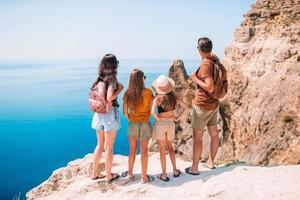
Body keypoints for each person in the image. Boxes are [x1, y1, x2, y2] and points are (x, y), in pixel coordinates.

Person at [185, 37, 220, 175]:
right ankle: (211, 162)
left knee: (197, 137)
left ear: (199, 50)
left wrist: (195, 79)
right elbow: (212, 53)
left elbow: (209, 87)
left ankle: (194, 168)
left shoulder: (206, 65)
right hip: (213, 104)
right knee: (214, 134)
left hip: (202, 105)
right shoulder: (214, 59)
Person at [90, 54, 124, 183]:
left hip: (98, 114)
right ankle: (109, 175)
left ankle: (94, 174)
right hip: (109, 114)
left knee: (99, 145)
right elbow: (109, 97)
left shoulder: (99, 78)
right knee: (109, 147)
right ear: (114, 65)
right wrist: (119, 89)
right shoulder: (112, 79)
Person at [151, 74, 188, 182]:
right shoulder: (174, 96)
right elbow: (186, 107)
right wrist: (177, 117)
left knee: (163, 151)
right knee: (170, 148)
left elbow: (153, 112)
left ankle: (164, 175)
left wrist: (158, 119)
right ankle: (175, 170)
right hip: (171, 123)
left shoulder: (157, 98)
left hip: (161, 124)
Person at [122, 69, 155, 184]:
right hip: (145, 123)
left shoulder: (127, 94)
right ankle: (143, 177)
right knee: (144, 151)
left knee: (132, 151)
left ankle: (130, 174)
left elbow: (125, 112)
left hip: (133, 123)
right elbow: (152, 111)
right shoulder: (148, 92)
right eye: (143, 77)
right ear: (141, 79)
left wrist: (132, 119)